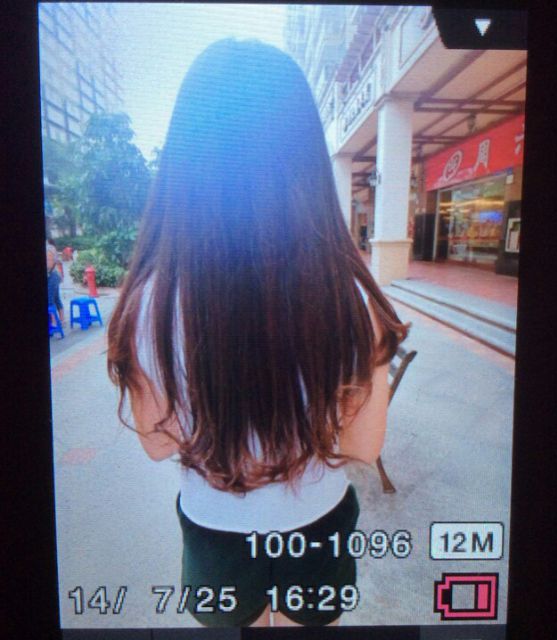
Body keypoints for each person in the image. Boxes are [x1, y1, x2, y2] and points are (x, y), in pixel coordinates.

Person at [107, 39, 408, 628]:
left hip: (215, 527)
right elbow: (364, 447)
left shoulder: (149, 303)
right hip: (317, 522)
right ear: (305, 160)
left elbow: (157, 443)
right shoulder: (352, 296)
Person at [47, 245, 65, 327]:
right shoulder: (50, 249)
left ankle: (54, 322)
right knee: (56, 299)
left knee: (50, 300)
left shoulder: (49, 251)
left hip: (53, 277)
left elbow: (50, 265)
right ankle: (62, 320)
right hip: (54, 276)